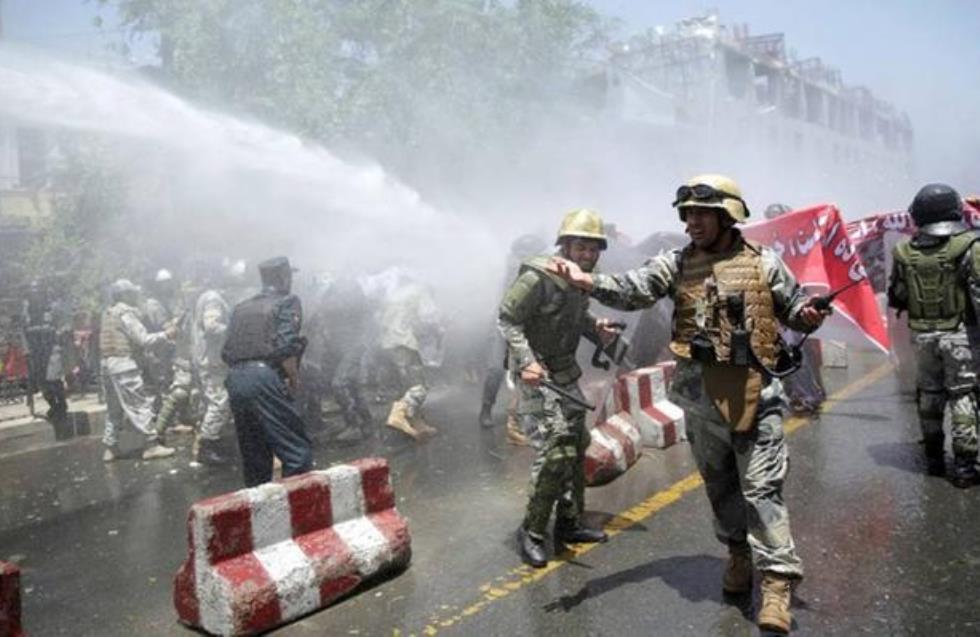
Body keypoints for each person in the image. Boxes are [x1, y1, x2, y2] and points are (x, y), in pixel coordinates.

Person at [550, 176, 829, 633]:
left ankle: (777, 583)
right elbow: (634, 289)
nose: (692, 222)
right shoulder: (675, 264)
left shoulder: (765, 264)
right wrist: (588, 282)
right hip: (700, 398)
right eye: (688, 214)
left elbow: (795, 309)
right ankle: (738, 555)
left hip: (755, 393)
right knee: (720, 486)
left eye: (702, 213)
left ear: (727, 215)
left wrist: (809, 315)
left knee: (762, 491)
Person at [499, 208, 619, 569]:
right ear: (564, 245)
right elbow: (507, 319)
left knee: (576, 444)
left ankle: (569, 522)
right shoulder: (538, 275)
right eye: (580, 247)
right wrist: (526, 362)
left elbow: (571, 316)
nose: (587, 255)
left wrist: (596, 326)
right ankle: (533, 532)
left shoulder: (582, 279)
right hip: (537, 373)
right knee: (556, 449)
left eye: (593, 249)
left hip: (564, 371)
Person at [888, 183, 980, 488]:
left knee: (929, 395)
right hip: (961, 336)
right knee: (963, 395)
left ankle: (933, 458)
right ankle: (966, 466)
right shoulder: (971, 246)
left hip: (923, 338)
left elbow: (898, 296)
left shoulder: (903, 251)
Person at [222, 256, 313, 487]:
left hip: (235, 378)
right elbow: (286, 346)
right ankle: (297, 513)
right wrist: (293, 378)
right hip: (263, 377)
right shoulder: (287, 301)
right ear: (284, 277)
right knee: (297, 452)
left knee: (255, 456)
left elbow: (227, 348)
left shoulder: (241, 307)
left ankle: (259, 514)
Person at [479, 233, 548, 446]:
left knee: (526, 373)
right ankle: (486, 409)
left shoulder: (538, 272)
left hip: (526, 328)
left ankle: (518, 421)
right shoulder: (514, 271)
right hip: (504, 326)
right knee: (496, 369)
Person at [100, 279, 178, 461]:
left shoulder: (108, 312)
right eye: (132, 293)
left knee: (114, 410)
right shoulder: (126, 313)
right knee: (139, 406)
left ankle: (110, 448)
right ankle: (151, 445)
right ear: (125, 294)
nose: (135, 296)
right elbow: (142, 339)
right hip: (124, 365)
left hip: (106, 365)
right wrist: (166, 335)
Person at [378, 268, 443, 442]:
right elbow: (429, 316)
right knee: (419, 385)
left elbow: (380, 319)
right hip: (406, 342)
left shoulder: (393, 294)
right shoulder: (418, 290)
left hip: (388, 343)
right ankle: (398, 413)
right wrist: (439, 328)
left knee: (407, 383)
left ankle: (417, 423)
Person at [189, 282, 233, 465]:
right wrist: (233, 331)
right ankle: (206, 446)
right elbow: (211, 326)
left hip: (207, 360)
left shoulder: (204, 298)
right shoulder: (213, 298)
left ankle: (207, 442)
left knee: (210, 403)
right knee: (220, 403)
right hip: (213, 361)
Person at [23, 279, 71, 440]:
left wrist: (57, 332)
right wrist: (27, 351)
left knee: (54, 380)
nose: (35, 297)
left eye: (38, 293)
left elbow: (66, 325)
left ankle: (61, 405)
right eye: (32, 294)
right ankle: (53, 405)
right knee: (42, 383)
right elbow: (22, 332)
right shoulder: (26, 312)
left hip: (52, 350)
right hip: (36, 352)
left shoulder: (54, 309)